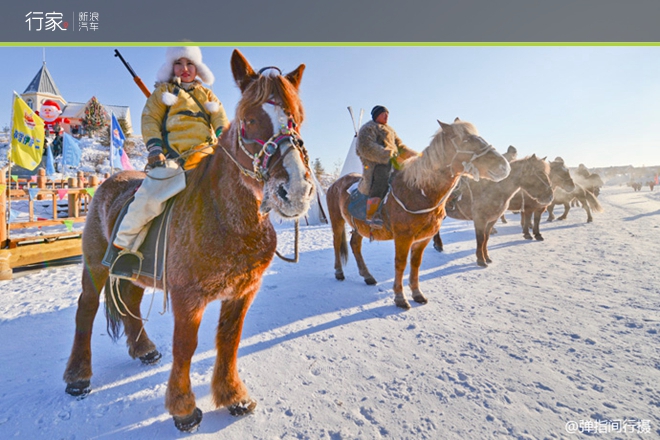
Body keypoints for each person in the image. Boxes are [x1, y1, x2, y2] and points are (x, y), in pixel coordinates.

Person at [110, 46, 229, 276]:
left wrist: (226, 143)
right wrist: (155, 148)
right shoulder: (162, 92)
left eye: (190, 63)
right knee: (151, 195)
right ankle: (122, 249)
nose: (185, 69)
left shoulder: (208, 95)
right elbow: (150, 119)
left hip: (208, 158)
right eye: (179, 63)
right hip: (176, 158)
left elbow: (221, 120)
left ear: (198, 68)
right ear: (171, 67)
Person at [355, 105, 417, 226]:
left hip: (392, 162)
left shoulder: (390, 130)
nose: (386, 116)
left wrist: (417, 156)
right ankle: (371, 215)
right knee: (382, 177)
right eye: (383, 114)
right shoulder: (368, 128)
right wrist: (388, 155)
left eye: (387, 114)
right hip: (375, 164)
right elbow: (366, 147)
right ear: (376, 115)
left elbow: (400, 147)